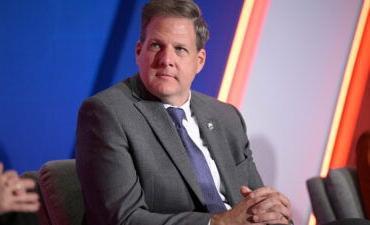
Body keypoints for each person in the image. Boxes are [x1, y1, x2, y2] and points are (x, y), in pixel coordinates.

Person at [75, 0, 293, 224]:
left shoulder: (227, 117)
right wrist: (220, 222)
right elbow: (122, 219)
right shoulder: (107, 113)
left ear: (199, 61)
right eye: (156, 46)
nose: (166, 60)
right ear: (139, 51)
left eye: (180, 49)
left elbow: (255, 200)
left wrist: (275, 212)